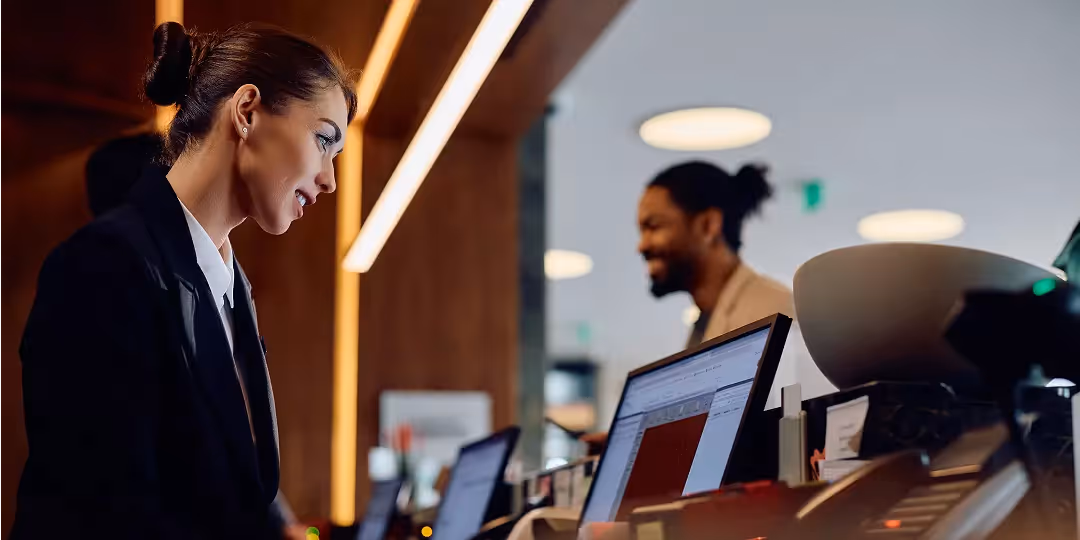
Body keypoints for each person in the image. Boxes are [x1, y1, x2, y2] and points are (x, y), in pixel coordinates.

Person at [13, 21, 355, 540]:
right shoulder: (102, 267)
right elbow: (105, 514)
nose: (331, 179)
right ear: (247, 112)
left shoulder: (229, 287)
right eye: (324, 140)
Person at [637, 161, 835, 406]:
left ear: (709, 225)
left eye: (653, 226)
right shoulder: (704, 323)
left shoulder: (776, 312)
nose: (642, 245)